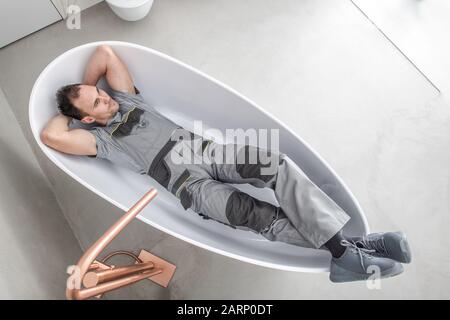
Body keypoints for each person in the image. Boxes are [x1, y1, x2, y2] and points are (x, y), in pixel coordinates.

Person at [41, 45, 411, 283]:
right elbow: (52, 136)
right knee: (261, 217)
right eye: (97, 104)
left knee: (276, 165)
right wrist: (75, 113)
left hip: (205, 150)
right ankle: (354, 249)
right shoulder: (101, 142)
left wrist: (83, 88)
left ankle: (348, 252)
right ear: (87, 120)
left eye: (101, 93)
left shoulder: (126, 100)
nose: (105, 99)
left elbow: (104, 53)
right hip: (192, 188)